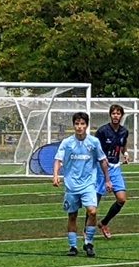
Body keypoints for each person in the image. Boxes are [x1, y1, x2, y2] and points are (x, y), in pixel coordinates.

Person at [53, 112, 113, 257]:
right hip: (72, 185)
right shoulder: (67, 143)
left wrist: (107, 179)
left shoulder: (93, 142)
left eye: (82, 124)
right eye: (77, 124)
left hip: (88, 185)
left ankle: (89, 243)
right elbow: (58, 159)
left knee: (92, 211)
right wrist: (55, 175)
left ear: (86, 125)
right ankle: (73, 246)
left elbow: (102, 160)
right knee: (72, 215)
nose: (79, 127)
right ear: (73, 125)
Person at [95, 104, 130, 239]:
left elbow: (123, 144)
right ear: (110, 115)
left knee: (121, 199)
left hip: (115, 168)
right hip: (101, 168)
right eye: (114, 113)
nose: (116, 116)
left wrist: (125, 153)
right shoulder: (102, 131)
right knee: (95, 201)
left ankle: (104, 223)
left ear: (121, 116)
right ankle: (88, 229)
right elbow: (95, 148)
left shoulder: (124, 131)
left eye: (118, 113)